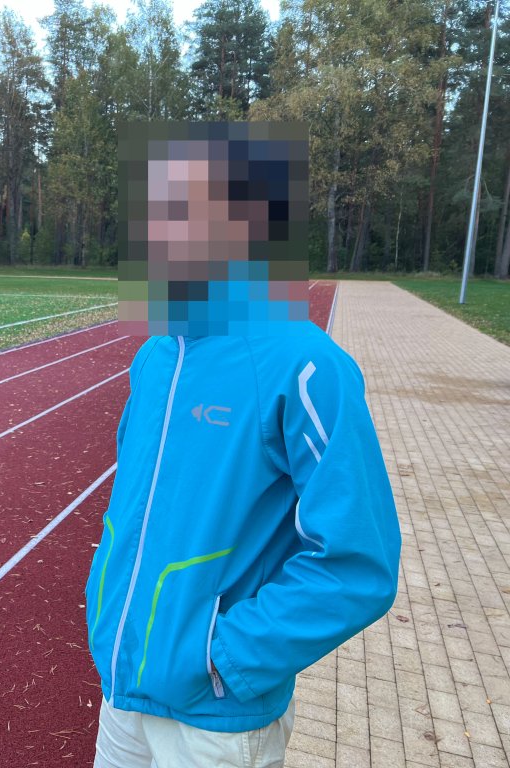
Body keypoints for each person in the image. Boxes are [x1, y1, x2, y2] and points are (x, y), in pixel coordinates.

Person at [86, 122, 401, 768]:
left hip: (215, 722)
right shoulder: (155, 358)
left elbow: (358, 559)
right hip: (122, 695)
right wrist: (106, 608)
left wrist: (225, 656)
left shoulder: (305, 364)